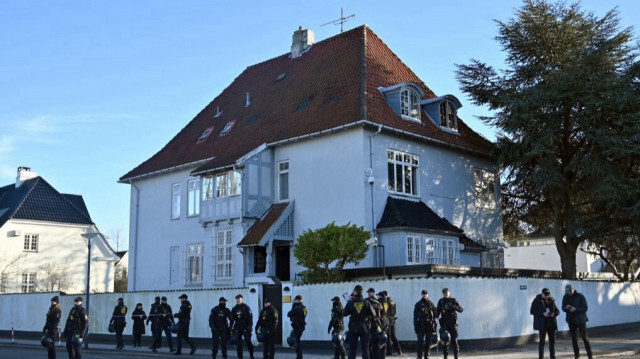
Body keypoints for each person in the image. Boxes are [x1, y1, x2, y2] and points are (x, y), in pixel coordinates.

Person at [343, 285, 376, 359]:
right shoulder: (366, 302)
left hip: (353, 327)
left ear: (355, 292)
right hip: (364, 327)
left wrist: (350, 302)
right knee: (365, 349)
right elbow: (373, 314)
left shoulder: (350, 302)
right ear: (361, 292)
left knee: (352, 349)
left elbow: (344, 313)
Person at [562, 284, 593, 359]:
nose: (568, 294)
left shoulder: (580, 296)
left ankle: (590, 355)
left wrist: (576, 309)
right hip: (571, 320)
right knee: (574, 339)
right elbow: (563, 307)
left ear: (573, 289)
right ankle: (577, 355)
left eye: (570, 292)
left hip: (581, 320)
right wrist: (566, 308)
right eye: (567, 292)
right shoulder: (565, 297)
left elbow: (585, 308)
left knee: (584, 338)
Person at [530, 288, 559, 359]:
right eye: (545, 295)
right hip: (542, 324)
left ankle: (553, 356)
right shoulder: (537, 300)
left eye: (548, 295)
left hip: (551, 323)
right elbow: (532, 311)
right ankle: (541, 357)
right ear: (542, 293)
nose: (547, 296)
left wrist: (554, 314)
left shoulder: (551, 300)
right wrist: (542, 314)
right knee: (542, 342)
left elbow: (557, 311)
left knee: (552, 341)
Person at [436, 288, 463, 359]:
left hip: (452, 323)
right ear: (443, 294)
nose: (445, 294)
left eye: (447, 292)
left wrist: (454, 306)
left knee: (454, 340)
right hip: (444, 324)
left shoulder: (453, 300)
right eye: (444, 293)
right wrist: (435, 318)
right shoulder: (441, 301)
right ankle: (445, 356)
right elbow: (437, 311)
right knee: (444, 340)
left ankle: (456, 356)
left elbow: (461, 309)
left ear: (449, 292)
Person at [414, 290, 437, 359]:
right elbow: (415, 316)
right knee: (420, 341)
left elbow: (435, 312)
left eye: (426, 294)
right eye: (423, 294)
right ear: (421, 295)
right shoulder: (418, 304)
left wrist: (435, 321)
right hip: (421, 325)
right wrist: (415, 326)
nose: (425, 296)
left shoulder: (430, 304)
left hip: (429, 325)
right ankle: (419, 356)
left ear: (428, 295)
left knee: (428, 342)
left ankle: (426, 356)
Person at [231, 294, 255, 359]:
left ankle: (251, 355)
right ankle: (240, 356)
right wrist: (231, 328)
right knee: (238, 344)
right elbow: (232, 319)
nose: (237, 300)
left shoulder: (246, 307)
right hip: (238, 328)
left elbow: (250, 317)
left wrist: (249, 327)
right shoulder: (234, 308)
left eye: (239, 298)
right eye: (237, 298)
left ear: (242, 299)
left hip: (246, 327)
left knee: (248, 342)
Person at [365, 288, 385, 359]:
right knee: (369, 345)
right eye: (368, 292)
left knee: (375, 345)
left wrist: (372, 305)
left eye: (370, 292)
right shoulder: (366, 300)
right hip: (367, 325)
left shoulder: (376, 301)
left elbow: (381, 308)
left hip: (375, 325)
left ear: (373, 293)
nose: (368, 293)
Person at [288, 295, 307, 359]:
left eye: (296, 300)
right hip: (301, 326)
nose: (295, 301)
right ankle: (299, 356)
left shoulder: (297, 308)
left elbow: (289, 314)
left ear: (299, 300)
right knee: (297, 341)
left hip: (297, 327)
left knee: (295, 341)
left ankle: (299, 356)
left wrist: (293, 307)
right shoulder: (304, 307)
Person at [384, 291, 402, 356]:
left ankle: (389, 352)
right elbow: (394, 312)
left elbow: (386, 312)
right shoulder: (393, 302)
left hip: (388, 321)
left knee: (388, 336)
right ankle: (399, 350)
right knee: (393, 336)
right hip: (392, 320)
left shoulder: (386, 303)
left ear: (386, 296)